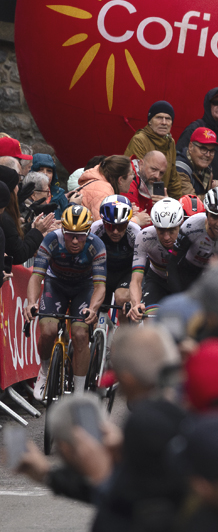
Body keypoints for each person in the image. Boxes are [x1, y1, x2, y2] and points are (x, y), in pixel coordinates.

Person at [25, 204, 107, 396]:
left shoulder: (97, 246)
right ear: (63, 230)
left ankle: (78, 392)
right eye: (70, 234)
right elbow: (37, 276)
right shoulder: (52, 240)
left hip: (83, 288)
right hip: (56, 284)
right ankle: (44, 371)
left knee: (80, 334)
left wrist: (93, 309)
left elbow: (100, 286)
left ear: (88, 232)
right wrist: (31, 302)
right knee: (48, 331)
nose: (76, 240)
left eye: (81, 235)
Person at [129, 198, 187, 320]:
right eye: (161, 231)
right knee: (150, 320)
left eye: (171, 231)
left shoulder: (190, 236)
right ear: (154, 226)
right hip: (157, 280)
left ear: (180, 224)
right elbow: (136, 280)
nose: (166, 237)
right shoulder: (145, 237)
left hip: (184, 281)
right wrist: (136, 304)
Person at [125, 100, 191, 198]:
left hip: (162, 199)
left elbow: (173, 179)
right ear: (150, 121)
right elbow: (136, 176)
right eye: (159, 118)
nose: (164, 122)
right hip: (141, 199)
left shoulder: (170, 142)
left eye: (168, 119)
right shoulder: (140, 139)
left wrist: (178, 203)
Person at [178, 88, 218, 188]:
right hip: (200, 194)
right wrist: (209, 184)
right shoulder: (195, 128)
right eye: (216, 102)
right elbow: (179, 163)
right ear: (208, 105)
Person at [91, 195, 141, 314]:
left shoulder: (135, 232)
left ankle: (124, 331)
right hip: (103, 271)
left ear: (128, 223)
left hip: (126, 272)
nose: (115, 232)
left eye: (121, 226)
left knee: (122, 298)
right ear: (103, 222)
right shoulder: (95, 229)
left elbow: (142, 264)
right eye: (110, 226)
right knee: (93, 307)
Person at [176, 127, 218, 196]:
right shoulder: (180, 169)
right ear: (190, 147)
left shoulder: (206, 168)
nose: (208, 155)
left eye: (212, 151)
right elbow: (191, 202)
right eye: (203, 149)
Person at [125, 150, 170, 222]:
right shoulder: (128, 181)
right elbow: (142, 222)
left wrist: (166, 206)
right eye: (154, 169)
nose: (157, 176)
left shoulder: (146, 182)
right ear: (141, 164)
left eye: (161, 173)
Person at [30, 153, 69, 217]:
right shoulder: (24, 194)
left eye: (49, 171)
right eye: (40, 170)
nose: (45, 174)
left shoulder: (59, 194)